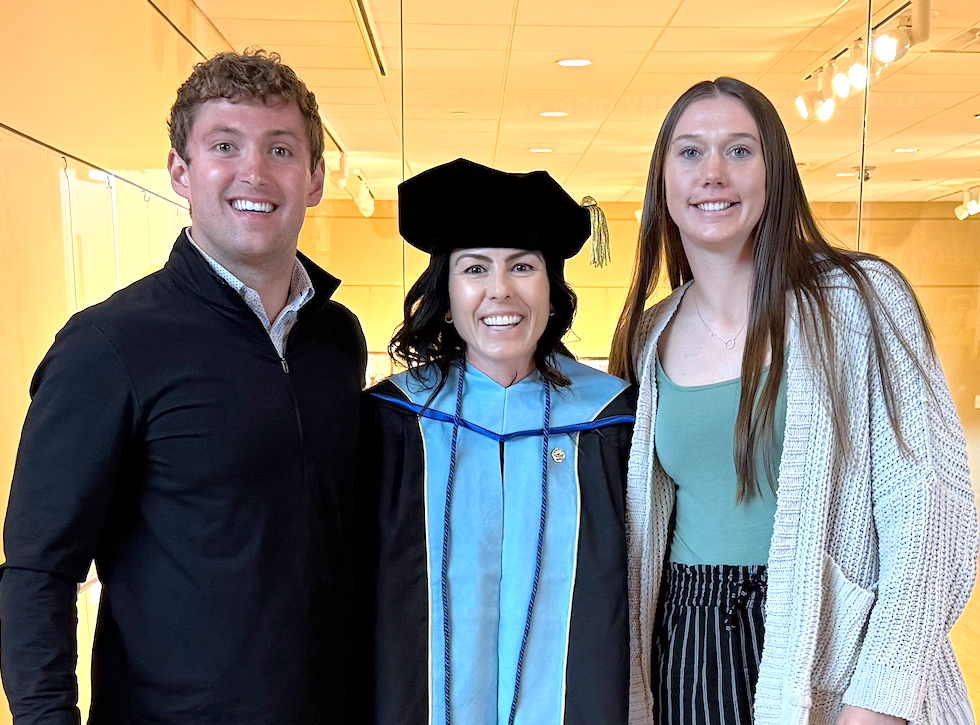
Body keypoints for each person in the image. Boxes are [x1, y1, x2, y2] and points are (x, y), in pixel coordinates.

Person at [0, 49, 367, 724]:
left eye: (280, 149)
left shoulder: (337, 340)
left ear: (314, 178)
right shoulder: (106, 348)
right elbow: (37, 574)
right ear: (182, 170)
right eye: (225, 145)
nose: (254, 172)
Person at [609, 77, 978, 725]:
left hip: (826, 646)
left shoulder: (862, 300)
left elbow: (928, 511)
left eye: (740, 151)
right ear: (662, 182)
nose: (713, 172)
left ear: (774, 172)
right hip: (687, 647)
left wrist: (878, 700)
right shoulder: (650, 334)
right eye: (690, 152)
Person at [361, 158, 634, 725]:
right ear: (448, 289)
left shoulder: (614, 421)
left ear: (552, 289)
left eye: (523, 266)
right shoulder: (393, 422)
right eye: (475, 268)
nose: (500, 290)